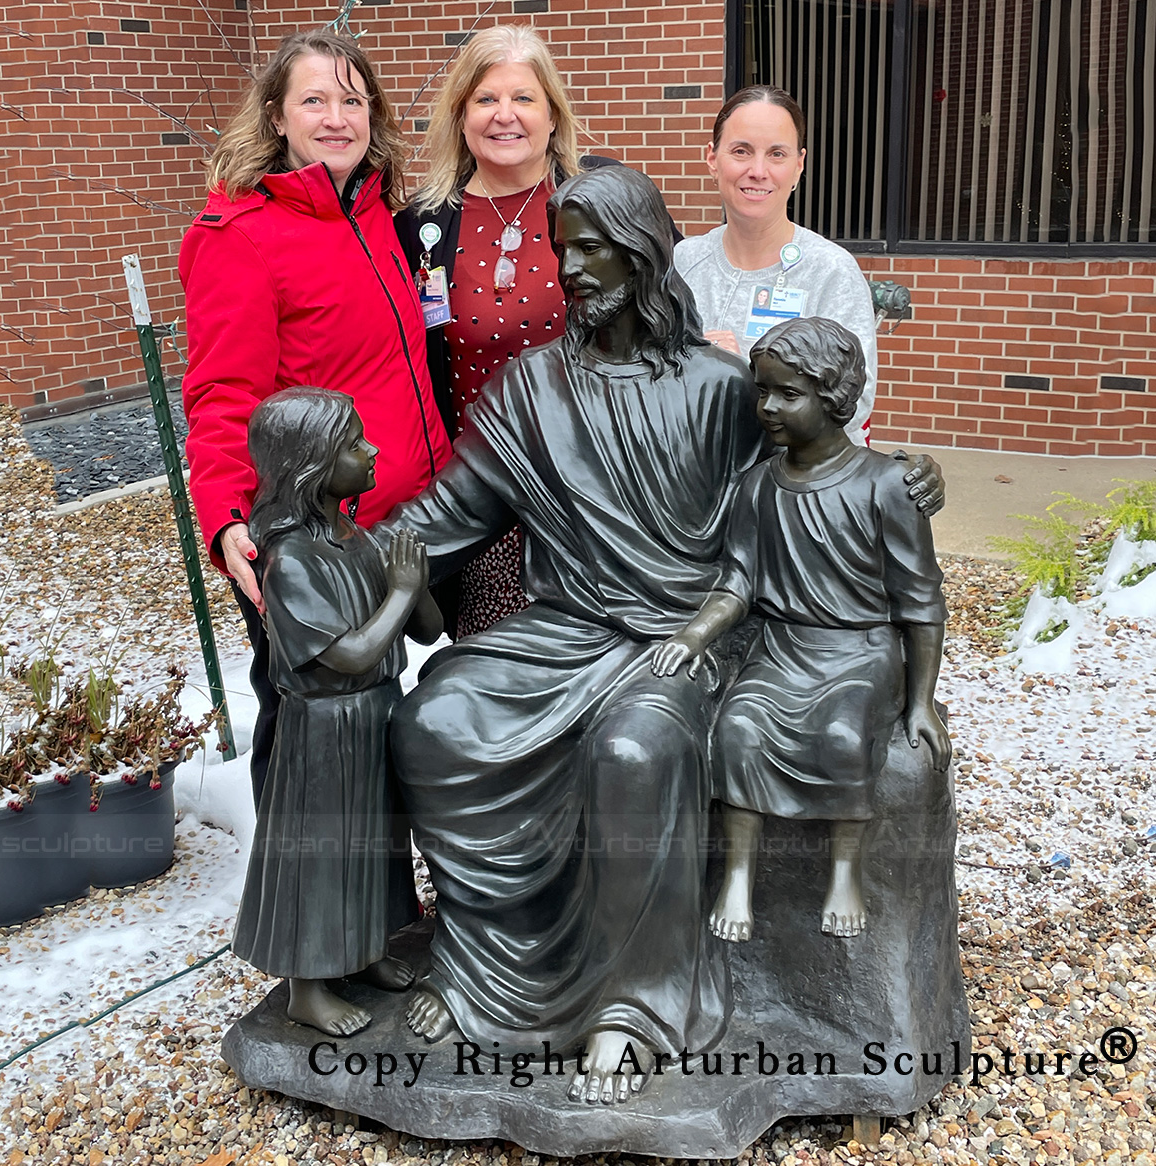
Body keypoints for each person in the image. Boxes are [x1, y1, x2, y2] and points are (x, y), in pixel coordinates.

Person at [383, 165, 757, 1105]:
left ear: (643, 252)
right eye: (563, 250)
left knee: (633, 750)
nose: (574, 269)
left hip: (682, 637)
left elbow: (793, 501)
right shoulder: (533, 387)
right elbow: (451, 511)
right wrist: (341, 552)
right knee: (435, 721)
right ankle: (482, 971)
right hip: (567, 629)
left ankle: (637, 1004)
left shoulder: (721, 388)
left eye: (592, 248)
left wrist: (896, 486)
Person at [179, 30, 451, 804]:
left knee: (383, 716)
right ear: (276, 116)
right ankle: (292, 877)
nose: (337, 118)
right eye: (314, 100)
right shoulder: (241, 237)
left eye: (353, 100)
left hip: (402, 515)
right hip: (315, 538)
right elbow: (223, 394)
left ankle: (382, 872)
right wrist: (228, 518)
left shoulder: (376, 215)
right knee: (308, 734)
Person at [651, 317, 950, 944]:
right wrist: (692, 636)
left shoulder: (886, 484)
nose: (768, 407)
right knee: (738, 728)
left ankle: (844, 873)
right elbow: (736, 584)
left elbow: (921, 600)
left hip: (860, 652)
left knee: (843, 733)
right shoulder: (756, 486)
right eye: (762, 391)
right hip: (782, 650)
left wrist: (921, 701)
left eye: (789, 394)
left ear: (834, 397)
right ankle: (738, 876)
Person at [394, 24, 617, 637]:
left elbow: (662, 310)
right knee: (493, 671)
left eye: (523, 98)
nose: (504, 115)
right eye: (486, 99)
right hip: (483, 497)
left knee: (601, 664)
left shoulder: (600, 197)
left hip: (597, 492)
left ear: (553, 114)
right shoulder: (421, 226)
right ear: (461, 115)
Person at [234, 387, 443, 1037]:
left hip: (377, 713)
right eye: (354, 444)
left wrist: (415, 583)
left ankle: (366, 948)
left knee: (376, 844)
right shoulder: (291, 560)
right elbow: (350, 654)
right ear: (311, 465)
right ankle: (308, 987)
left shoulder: (358, 538)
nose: (371, 450)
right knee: (322, 855)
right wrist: (400, 592)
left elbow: (428, 629)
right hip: (324, 729)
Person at [675, 85, 879, 445]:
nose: (758, 171)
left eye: (776, 154)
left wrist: (740, 373)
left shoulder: (830, 272)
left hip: (787, 477)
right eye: (741, 151)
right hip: (690, 469)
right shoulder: (683, 262)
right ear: (712, 158)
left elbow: (852, 405)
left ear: (798, 165)